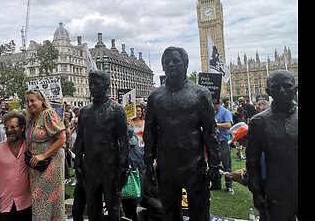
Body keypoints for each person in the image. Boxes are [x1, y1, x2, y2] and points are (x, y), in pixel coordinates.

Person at [143, 46, 221, 221]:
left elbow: (210, 131)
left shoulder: (200, 93)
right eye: (167, 62)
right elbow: (149, 131)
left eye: (176, 61)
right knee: (170, 212)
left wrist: (215, 165)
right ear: (162, 66)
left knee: (200, 212)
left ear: (185, 64)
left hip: (194, 165)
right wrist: (148, 161)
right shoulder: (155, 96)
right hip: (166, 165)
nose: (171, 64)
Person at [74, 70, 129, 221]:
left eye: (96, 84)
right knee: (93, 209)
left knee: (114, 210)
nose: (92, 87)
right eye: (90, 84)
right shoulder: (84, 112)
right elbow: (80, 140)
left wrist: (123, 169)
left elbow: (124, 142)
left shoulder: (116, 110)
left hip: (111, 167)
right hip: (90, 168)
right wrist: (77, 163)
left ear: (106, 85)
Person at [246, 70, 298, 221]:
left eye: (287, 86)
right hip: (276, 191)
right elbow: (252, 161)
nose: (282, 90)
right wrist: (256, 191)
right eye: (276, 87)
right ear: (268, 91)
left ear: (295, 89)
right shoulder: (259, 122)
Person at [25, 89, 67, 220]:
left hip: (50, 166)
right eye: (27, 101)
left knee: (48, 200)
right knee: (39, 201)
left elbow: (62, 138)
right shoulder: (32, 119)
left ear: (41, 100)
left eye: (33, 100)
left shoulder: (48, 114)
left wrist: (43, 155)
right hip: (36, 168)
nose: (30, 104)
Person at [0, 112, 32, 221]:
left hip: (27, 205)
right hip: (4, 206)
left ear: (22, 128)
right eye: (7, 127)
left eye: (13, 127)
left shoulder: (30, 148)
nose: (9, 130)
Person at [211, 98, 235, 195]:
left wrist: (215, 125)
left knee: (226, 164)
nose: (212, 106)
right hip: (214, 141)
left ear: (218, 104)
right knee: (215, 163)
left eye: (214, 104)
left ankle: (229, 185)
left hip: (223, 141)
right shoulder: (211, 112)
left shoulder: (225, 112)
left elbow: (228, 125)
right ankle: (217, 183)